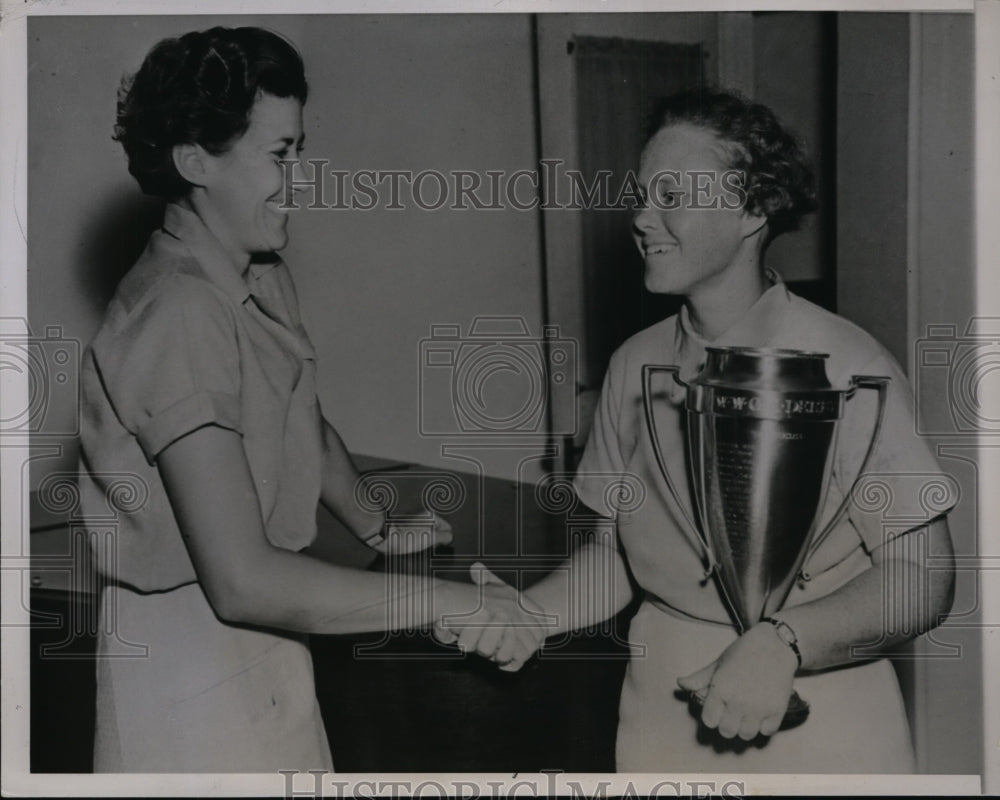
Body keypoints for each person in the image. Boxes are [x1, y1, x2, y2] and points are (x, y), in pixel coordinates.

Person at [78, 26, 541, 772]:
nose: (301, 179)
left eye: (300, 149)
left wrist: (377, 523)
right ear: (196, 161)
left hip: (271, 638)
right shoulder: (179, 314)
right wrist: (455, 604)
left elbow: (300, 415)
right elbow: (241, 581)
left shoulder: (257, 274)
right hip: (185, 663)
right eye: (278, 155)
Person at [459, 88, 957, 772]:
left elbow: (920, 579)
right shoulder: (634, 365)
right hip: (661, 718)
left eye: (672, 194)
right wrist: (532, 614)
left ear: (754, 208)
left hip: (821, 721)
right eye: (642, 194)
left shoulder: (849, 368)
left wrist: (784, 640)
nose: (641, 217)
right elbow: (616, 557)